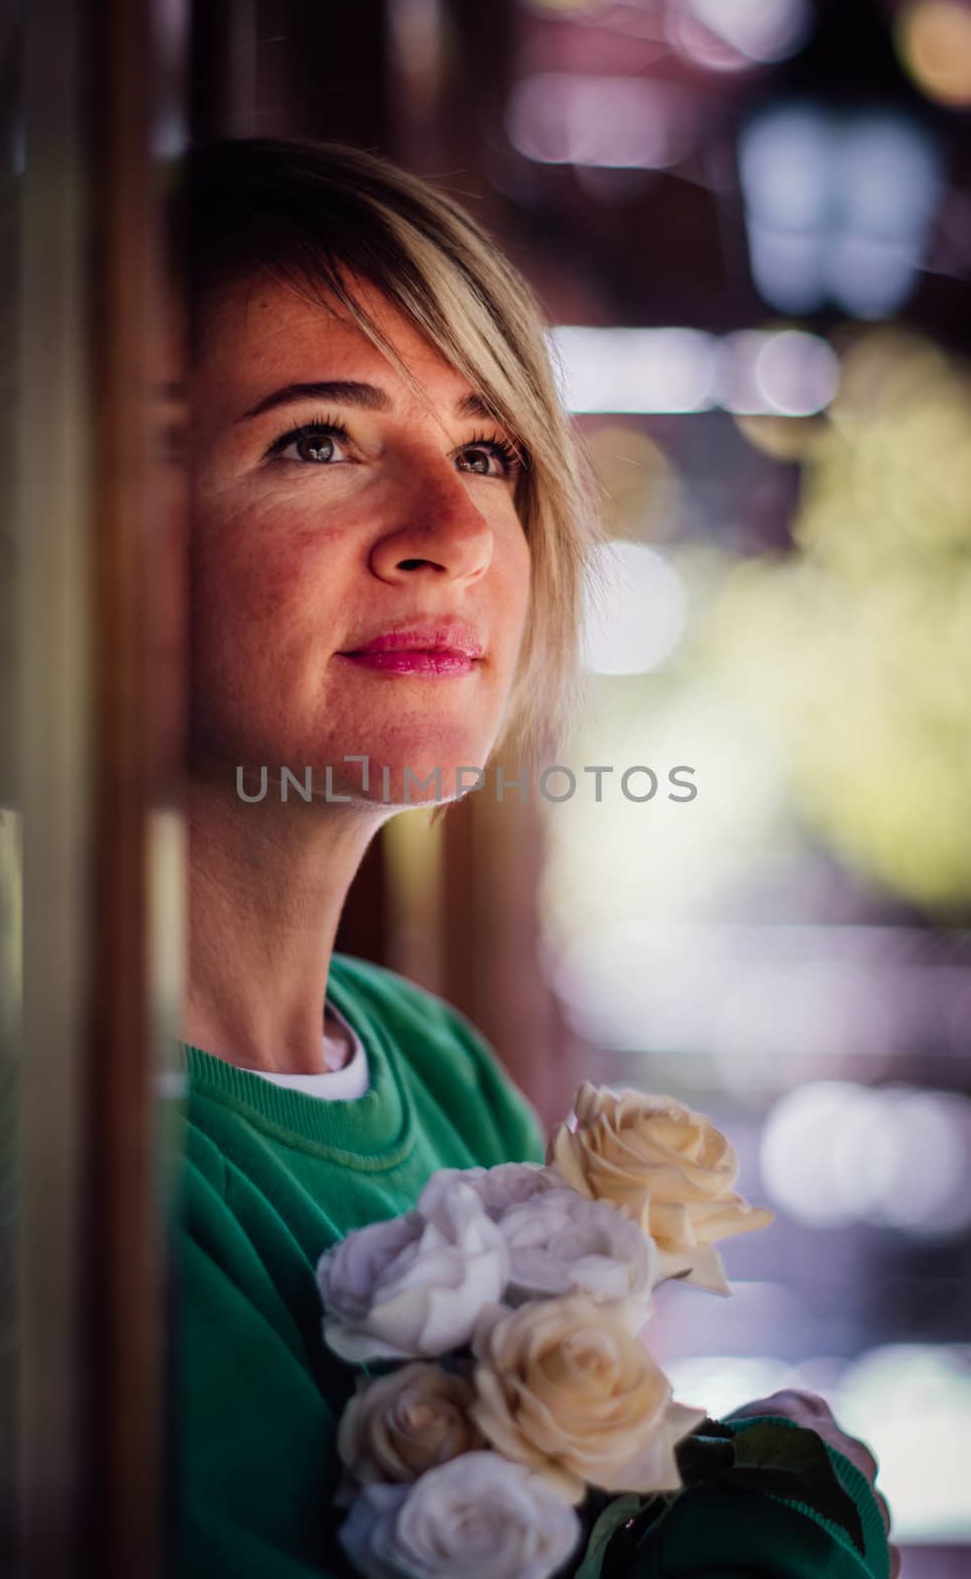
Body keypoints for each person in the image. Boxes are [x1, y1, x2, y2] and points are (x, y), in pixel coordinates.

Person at [172, 137, 899, 1579]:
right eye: (319, 439)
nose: (455, 530)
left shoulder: (434, 1063)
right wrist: (783, 1515)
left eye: (490, 452)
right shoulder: (50, 1126)